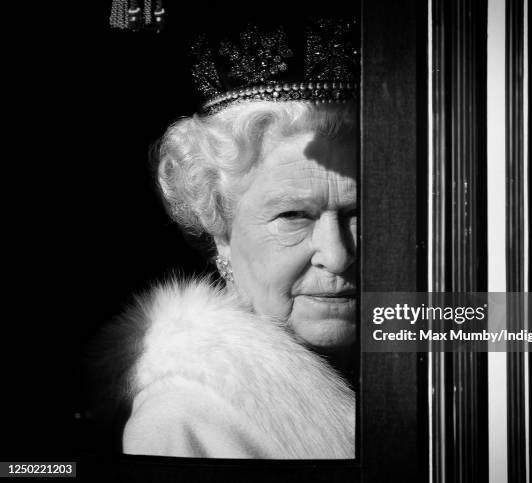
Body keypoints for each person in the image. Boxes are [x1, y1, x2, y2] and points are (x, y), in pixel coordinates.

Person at [108, 20, 360, 458]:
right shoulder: (181, 423)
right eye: (293, 216)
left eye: (361, 214)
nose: (337, 256)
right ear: (220, 231)